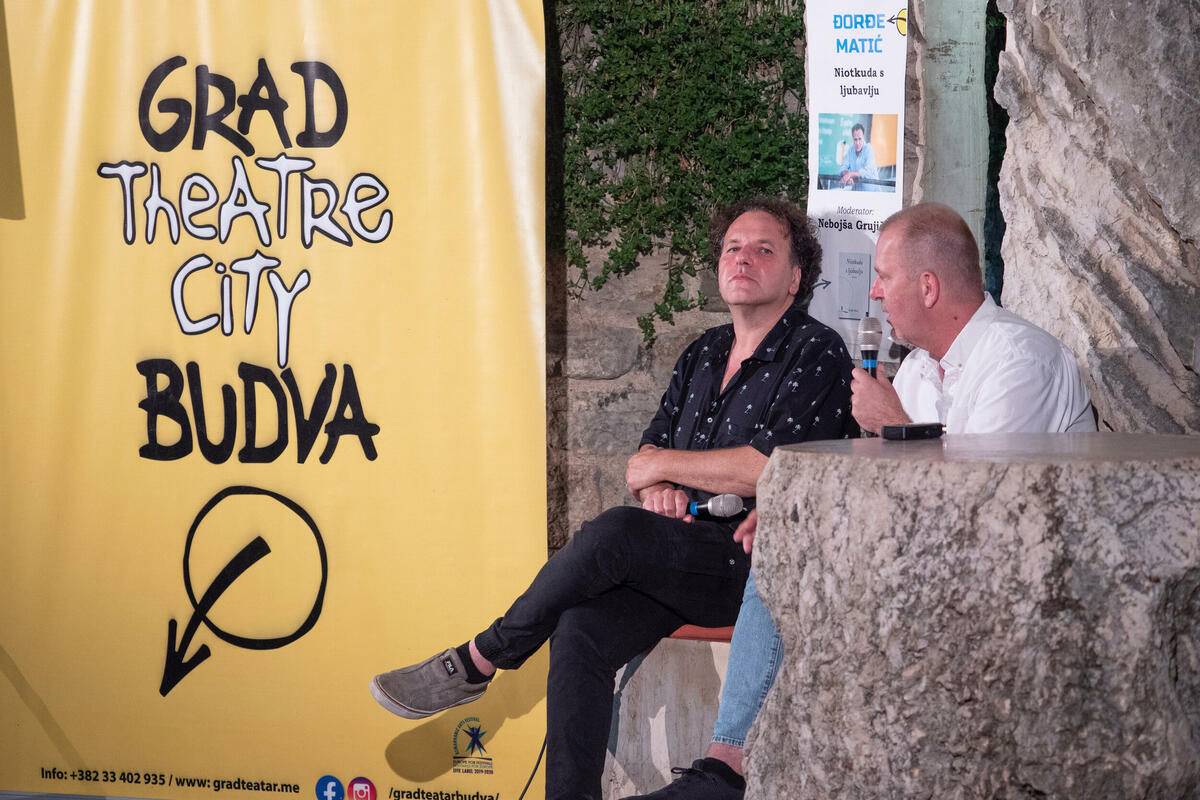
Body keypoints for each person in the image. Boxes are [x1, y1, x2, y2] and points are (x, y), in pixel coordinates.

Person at [369, 197, 858, 800]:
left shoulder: (816, 351)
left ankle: (481, 657)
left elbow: (768, 468)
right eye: (732, 247)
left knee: (618, 532)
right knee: (579, 629)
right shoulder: (703, 352)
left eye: (763, 250)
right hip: (679, 556)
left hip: (752, 565)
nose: (742, 259)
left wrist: (665, 469)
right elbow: (642, 462)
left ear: (795, 277)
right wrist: (661, 486)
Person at [627, 201, 1094, 800]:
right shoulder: (919, 370)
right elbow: (873, 483)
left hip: (1018, 587)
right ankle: (730, 764)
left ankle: (734, 768)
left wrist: (894, 423)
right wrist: (796, 505)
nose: (873, 293)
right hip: (931, 566)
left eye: (884, 277)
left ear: (928, 287)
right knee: (786, 543)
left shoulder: (1017, 360)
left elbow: (982, 508)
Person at [839, 123, 880, 191]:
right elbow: (843, 167)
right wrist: (847, 177)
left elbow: (868, 171)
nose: (857, 143)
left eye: (860, 139)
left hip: (872, 192)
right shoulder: (850, 150)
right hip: (856, 191)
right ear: (852, 139)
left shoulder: (869, 148)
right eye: (855, 139)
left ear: (863, 137)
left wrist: (850, 174)